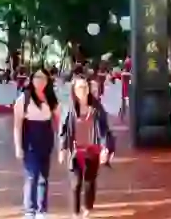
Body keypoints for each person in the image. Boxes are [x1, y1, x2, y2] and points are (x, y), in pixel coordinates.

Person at [58, 76, 116, 219]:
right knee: (75, 183)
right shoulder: (69, 107)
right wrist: (62, 148)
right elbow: (63, 129)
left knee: (89, 182)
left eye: (85, 87)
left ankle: (87, 208)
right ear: (74, 90)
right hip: (75, 150)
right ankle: (76, 213)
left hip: (92, 150)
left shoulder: (96, 107)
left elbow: (104, 129)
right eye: (79, 88)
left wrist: (105, 149)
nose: (82, 90)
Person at [13, 67, 59, 219]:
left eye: (43, 78)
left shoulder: (51, 99)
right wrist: (18, 147)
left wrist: (63, 142)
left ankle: (42, 210)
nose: (40, 81)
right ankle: (30, 210)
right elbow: (17, 125)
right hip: (30, 139)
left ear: (48, 81)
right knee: (32, 175)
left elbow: (59, 121)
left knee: (43, 176)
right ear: (32, 80)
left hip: (46, 139)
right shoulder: (23, 99)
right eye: (37, 77)